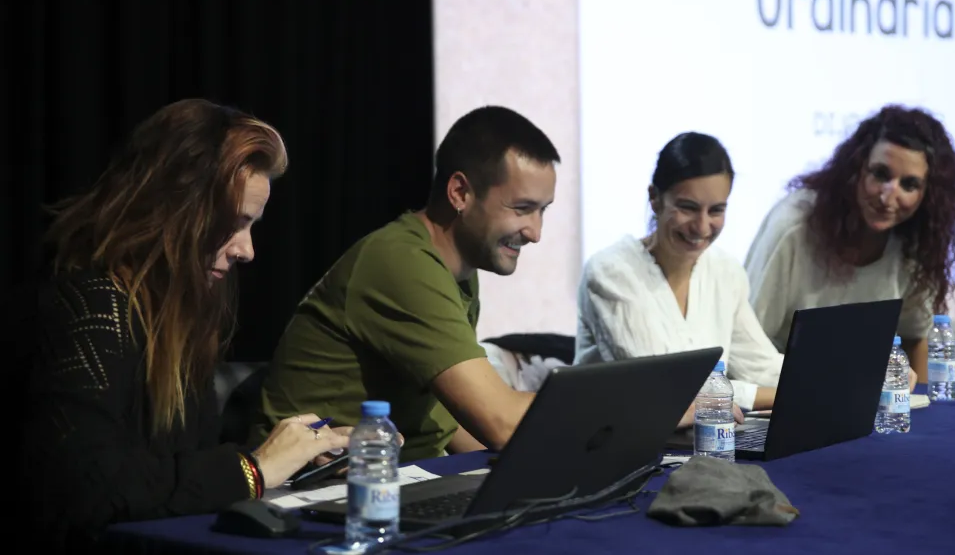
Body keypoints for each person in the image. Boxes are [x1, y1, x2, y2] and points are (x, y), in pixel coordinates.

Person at [16, 99, 349, 549]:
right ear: (175, 207)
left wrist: (294, 462)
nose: (246, 250)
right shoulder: (89, 301)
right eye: (235, 223)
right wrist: (252, 469)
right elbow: (87, 486)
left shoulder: (174, 309)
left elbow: (173, 466)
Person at [254, 106, 560, 461]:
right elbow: (501, 423)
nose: (535, 233)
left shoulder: (458, 270)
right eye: (522, 208)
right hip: (313, 489)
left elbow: (458, 423)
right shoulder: (402, 263)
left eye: (543, 210)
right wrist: (607, 406)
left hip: (395, 476)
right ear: (460, 193)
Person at [744, 105, 955, 384]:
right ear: (856, 169)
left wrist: (923, 416)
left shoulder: (915, 241)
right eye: (881, 175)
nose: (888, 197)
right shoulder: (795, 227)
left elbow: (913, 338)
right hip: (776, 393)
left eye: (908, 185)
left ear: (928, 195)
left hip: (858, 396)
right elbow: (746, 345)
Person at [575, 132, 780, 414]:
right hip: (608, 449)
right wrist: (769, 396)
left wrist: (823, 378)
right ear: (655, 199)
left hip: (692, 444)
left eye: (716, 210)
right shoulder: (612, 273)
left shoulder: (725, 270)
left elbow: (763, 367)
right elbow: (666, 390)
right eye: (688, 208)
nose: (703, 227)